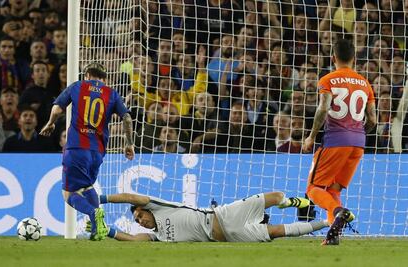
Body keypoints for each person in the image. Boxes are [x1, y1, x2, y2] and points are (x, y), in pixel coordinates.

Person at [39, 62, 135, 241]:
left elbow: (57, 108)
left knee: (68, 194)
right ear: (104, 78)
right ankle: (95, 227)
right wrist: (129, 143)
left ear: (86, 75)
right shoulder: (111, 93)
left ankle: (93, 213)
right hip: (98, 152)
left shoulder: (78, 86)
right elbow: (127, 118)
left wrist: (51, 122)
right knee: (87, 186)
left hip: (76, 148)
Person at [302, 39, 376, 245]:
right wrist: (358, 133)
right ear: (355, 58)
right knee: (333, 189)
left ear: (332, 57)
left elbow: (323, 108)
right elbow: (373, 120)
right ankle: (333, 235)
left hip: (335, 141)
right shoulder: (365, 83)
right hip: (358, 143)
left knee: (313, 188)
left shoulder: (328, 80)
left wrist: (311, 136)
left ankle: (337, 211)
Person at [89, 192, 327, 242]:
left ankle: (302, 203)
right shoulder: (157, 237)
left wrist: (101, 199)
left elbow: (134, 198)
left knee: (276, 197)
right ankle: (328, 221)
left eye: (140, 216)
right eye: (138, 221)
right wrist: (109, 231)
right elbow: (134, 241)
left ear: (147, 209)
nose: (140, 220)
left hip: (223, 214)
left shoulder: (160, 207)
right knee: (276, 232)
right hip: (230, 237)